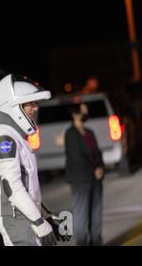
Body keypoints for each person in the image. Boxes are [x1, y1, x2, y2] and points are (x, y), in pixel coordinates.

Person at [0, 74, 70, 246]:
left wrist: (47, 216)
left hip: (27, 216)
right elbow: (12, 187)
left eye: (36, 103)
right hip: (16, 218)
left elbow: (29, 187)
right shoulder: (4, 137)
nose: (35, 108)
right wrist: (39, 222)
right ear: (13, 107)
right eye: (30, 104)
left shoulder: (16, 136)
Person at [65, 103, 104, 246]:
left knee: (96, 214)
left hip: (96, 180)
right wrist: (93, 170)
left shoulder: (90, 132)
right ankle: (82, 243)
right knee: (82, 215)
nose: (86, 113)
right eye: (83, 111)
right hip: (80, 180)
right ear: (75, 114)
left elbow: (98, 153)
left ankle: (96, 242)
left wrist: (100, 167)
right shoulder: (70, 133)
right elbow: (77, 157)